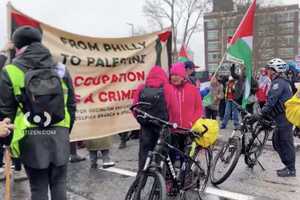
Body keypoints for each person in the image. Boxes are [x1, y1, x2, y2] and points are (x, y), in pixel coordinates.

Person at [0, 26, 76, 199]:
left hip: (29, 136)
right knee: (59, 184)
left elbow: (6, 111)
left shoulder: (10, 71)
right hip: (59, 132)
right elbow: (71, 105)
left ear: (17, 47)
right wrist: (65, 131)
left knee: (37, 188)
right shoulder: (61, 69)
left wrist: (7, 141)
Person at [255, 58, 295, 177]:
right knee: (277, 142)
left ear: (275, 71)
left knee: (286, 142)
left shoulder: (278, 83)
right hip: (280, 117)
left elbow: (271, 102)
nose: (268, 72)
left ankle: (291, 169)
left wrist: (260, 114)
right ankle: (287, 164)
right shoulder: (283, 81)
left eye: (269, 70)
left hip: (284, 118)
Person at [132, 65, 173, 171]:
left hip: (146, 125)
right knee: (163, 153)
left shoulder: (141, 87)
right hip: (162, 126)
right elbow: (173, 108)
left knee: (144, 152)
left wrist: (140, 120)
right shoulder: (167, 88)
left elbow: (135, 107)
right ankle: (160, 180)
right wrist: (172, 124)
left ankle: (141, 178)